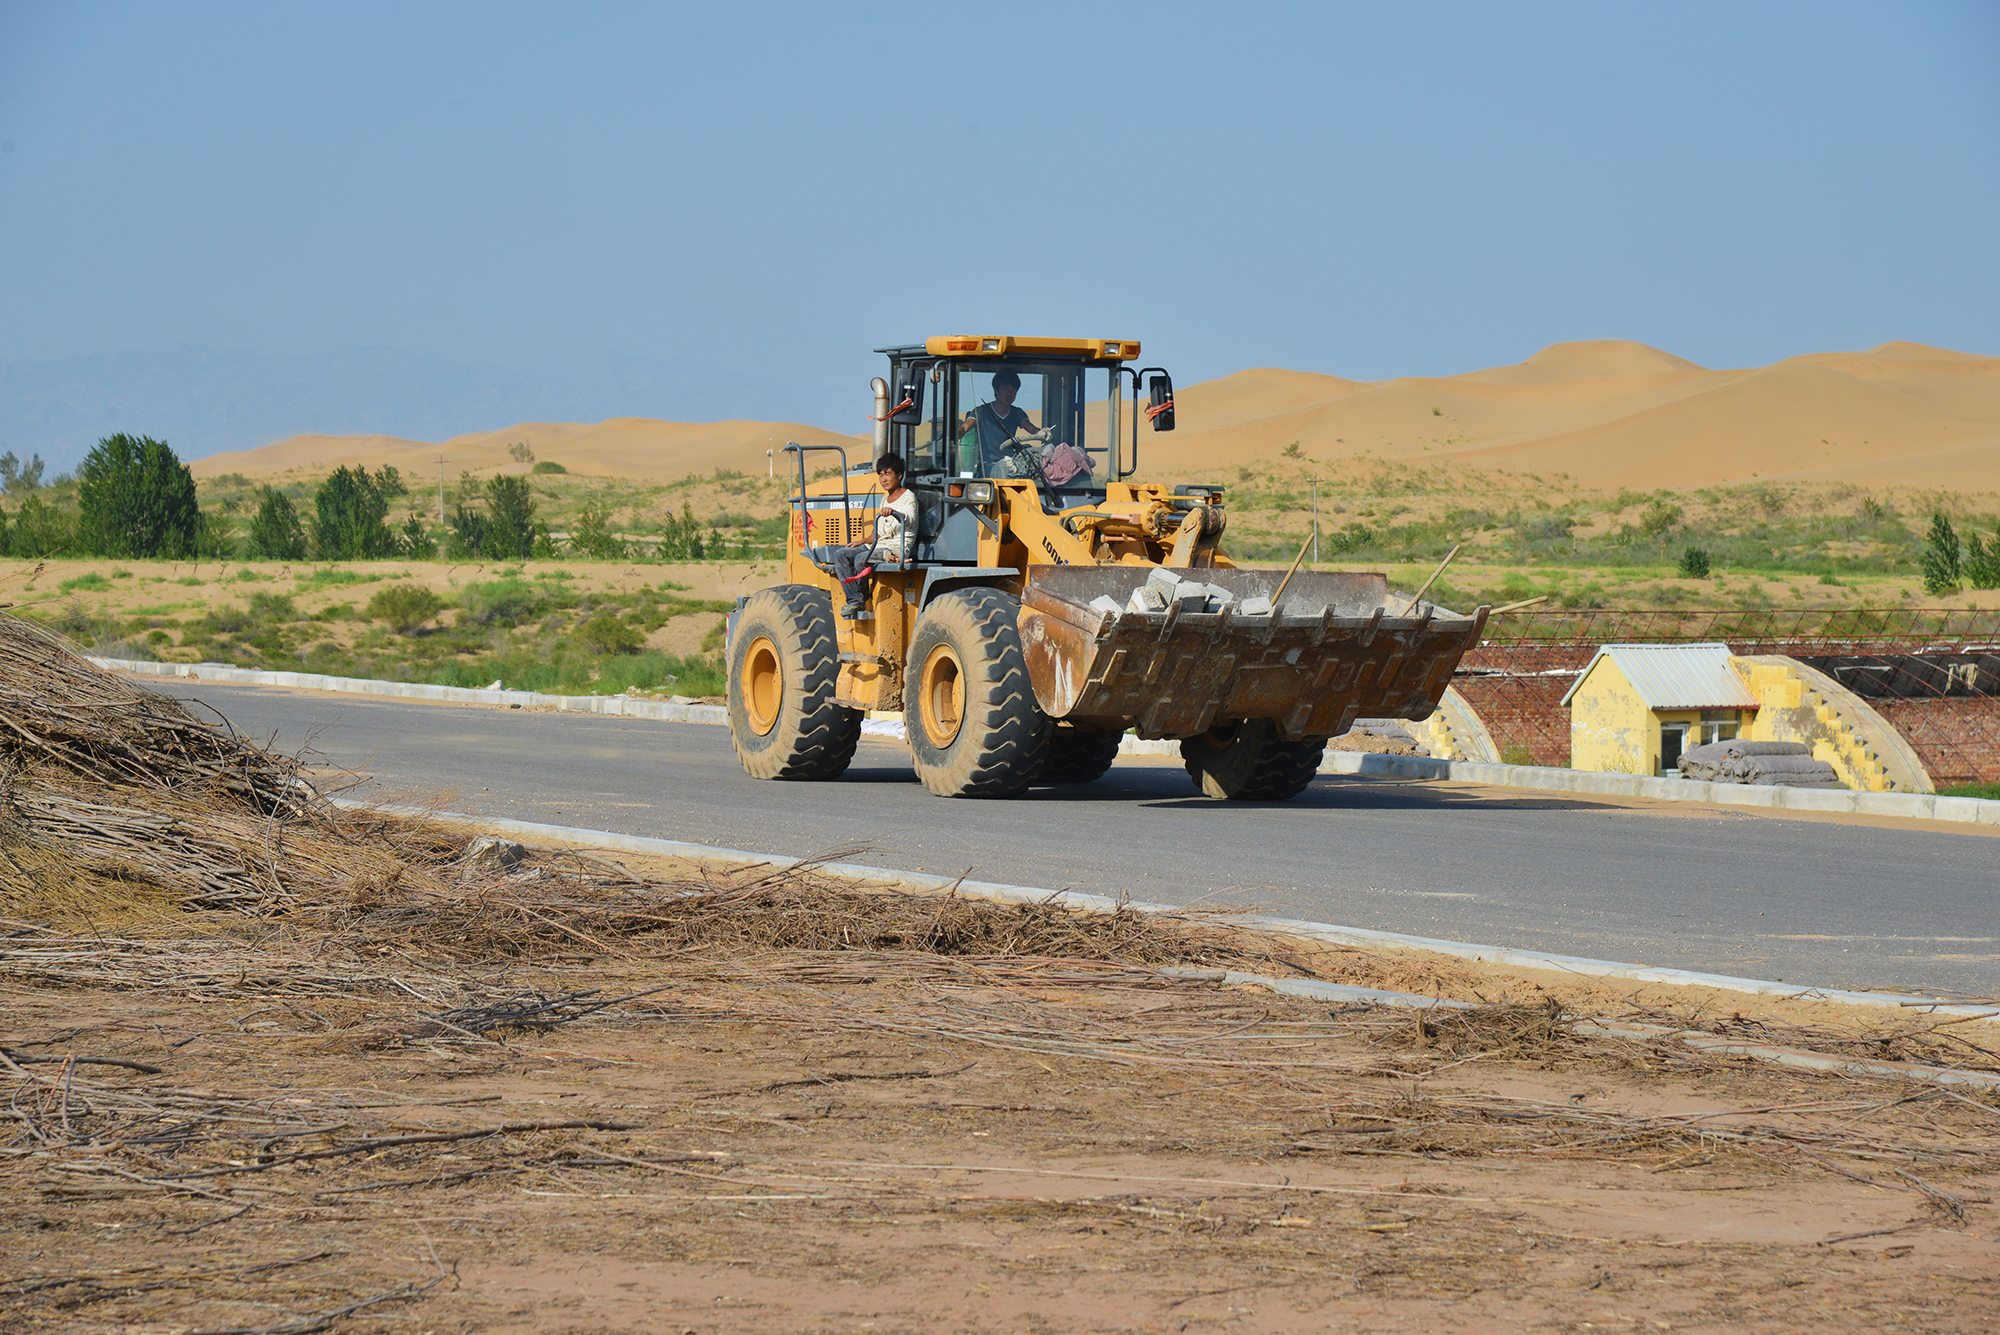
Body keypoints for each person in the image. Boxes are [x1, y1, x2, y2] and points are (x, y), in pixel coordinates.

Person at [813, 452, 917, 619]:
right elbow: (878, 533)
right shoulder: (885, 499)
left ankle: (861, 596)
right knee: (841, 554)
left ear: (899, 475)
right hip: (878, 545)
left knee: (862, 558)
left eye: (888, 474)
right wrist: (861, 540)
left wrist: (895, 512)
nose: (883, 479)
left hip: (896, 548)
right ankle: (855, 599)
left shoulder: (908, 497)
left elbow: (910, 518)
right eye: (881, 475)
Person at [958, 368, 1040, 476]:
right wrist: (955, 433)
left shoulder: (1017, 413)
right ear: (996, 390)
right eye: (1005, 389)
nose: (1009, 394)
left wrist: (1043, 433)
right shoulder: (982, 412)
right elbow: (965, 427)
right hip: (988, 465)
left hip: (1011, 462)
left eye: (1013, 390)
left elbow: (1032, 429)